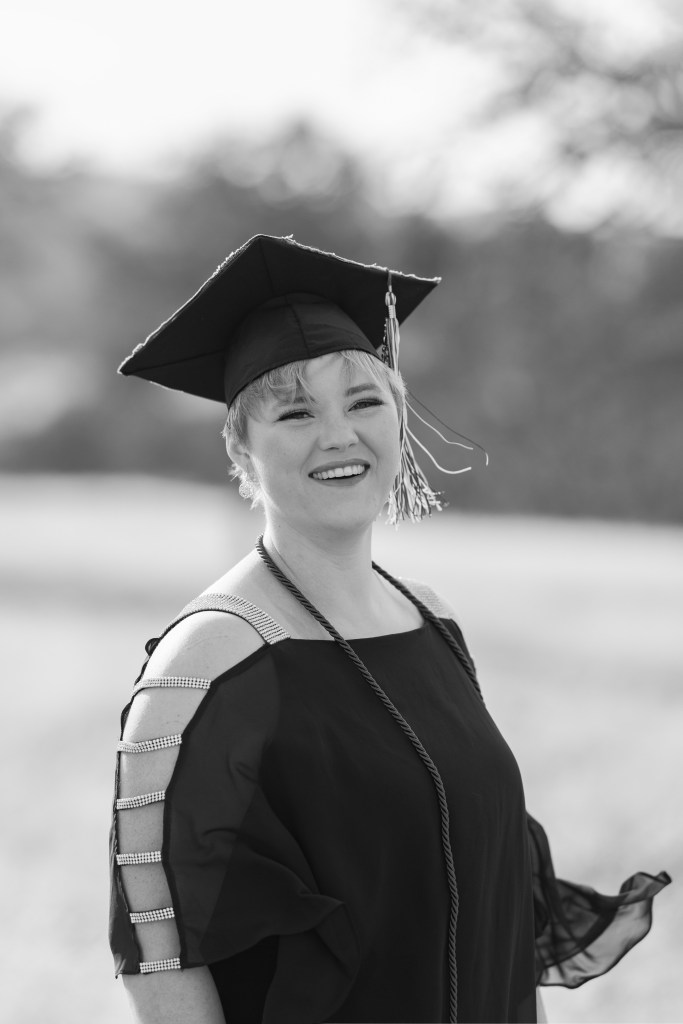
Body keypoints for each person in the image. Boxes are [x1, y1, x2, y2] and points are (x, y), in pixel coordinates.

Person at [109, 234, 670, 1024]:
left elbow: (494, 898)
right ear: (241, 446)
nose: (338, 435)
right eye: (296, 412)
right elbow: (161, 952)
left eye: (365, 402)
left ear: (400, 420)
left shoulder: (430, 621)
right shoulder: (205, 662)